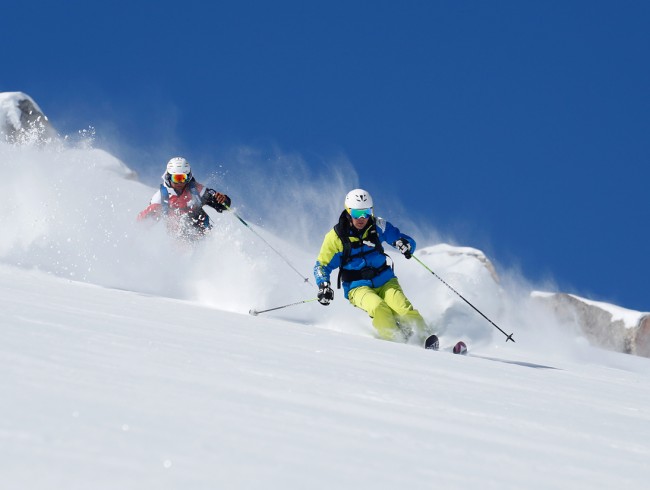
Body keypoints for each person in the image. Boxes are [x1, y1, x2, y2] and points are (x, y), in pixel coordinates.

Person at [313, 188, 431, 344]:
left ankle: (427, 339)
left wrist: (405, 245)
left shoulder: (378, 226)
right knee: (378, 307)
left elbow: (401, 238)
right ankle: (397, 342)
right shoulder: (336, 237)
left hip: (385, 280)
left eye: (366, 212)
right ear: (348, 212)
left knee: (403, 309)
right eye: (356, 214)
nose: (362, 218)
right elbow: (321, 266)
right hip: (357, 287)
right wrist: (324, 286)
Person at [137, 157, 231, 241]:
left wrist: (223, 200)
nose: (180, 183)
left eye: (183, 178)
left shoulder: (196, 190)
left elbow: (222, 206)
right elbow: (141, 224)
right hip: (179, 239)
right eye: (176, 178)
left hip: (204, 234)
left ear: (188, 177)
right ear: (168, 177)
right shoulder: (160, 198)